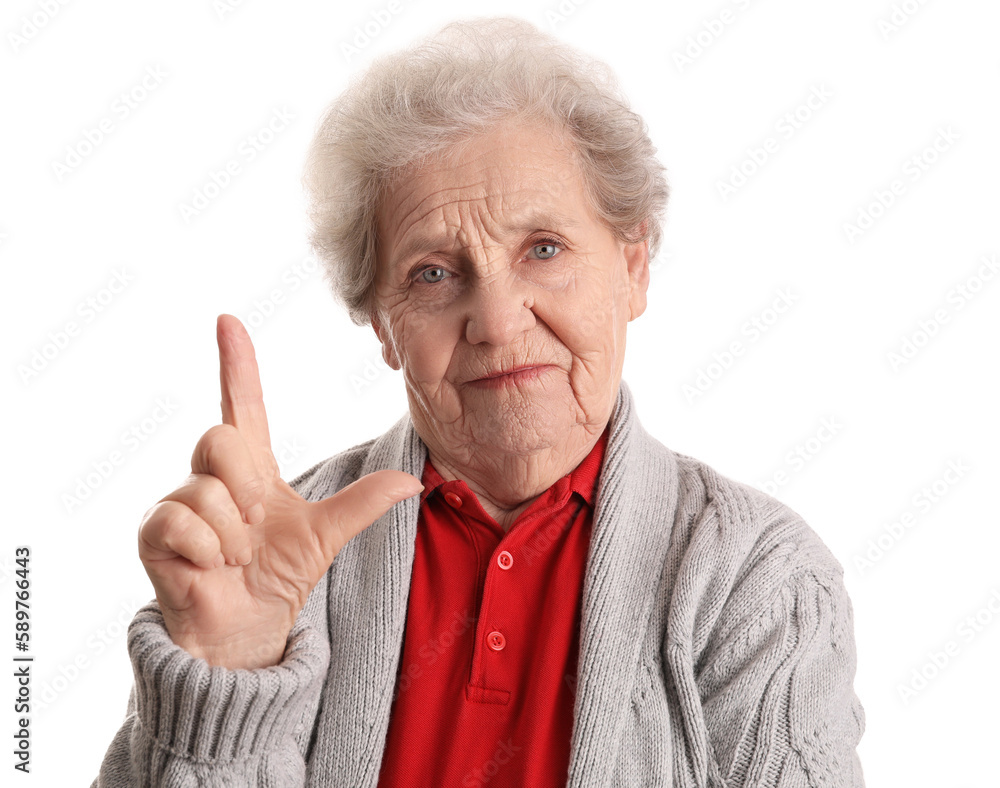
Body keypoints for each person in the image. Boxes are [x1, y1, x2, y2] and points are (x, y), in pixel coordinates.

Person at [94, 16, 865, 787]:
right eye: (433, 272)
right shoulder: (269, 559)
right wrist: (227, 681)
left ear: (633, 269)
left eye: (544, 249)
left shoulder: (759, 580)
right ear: (383, 328)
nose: (497, 324)